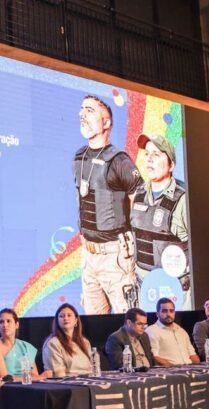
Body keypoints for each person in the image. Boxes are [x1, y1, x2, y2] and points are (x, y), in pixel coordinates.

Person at [73, 95, 142, 315]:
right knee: (94, 324)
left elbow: (139, 197)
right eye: (82, 109)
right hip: (88, 255)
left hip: (115, 256)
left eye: (90, 110)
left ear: (106, 122)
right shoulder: (79, 157)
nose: (83, 114)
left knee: (128, 321)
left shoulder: (119, 160)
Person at [130, 134, 190, 308]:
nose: (149, 159)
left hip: (173, 290)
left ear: (171, 165)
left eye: (156, 155)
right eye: (147, 154)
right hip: (144, 289)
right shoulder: (139, 194)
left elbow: (199, 249)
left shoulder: (183, 199)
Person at [0, 308, 49, 382]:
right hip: (5, 388)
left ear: (17, 325)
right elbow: (5, 379)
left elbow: (35, 376)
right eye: (1, 322)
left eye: (8, 321)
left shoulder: (26, 346)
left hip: (28, 387)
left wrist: (38, 377)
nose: (5, 325)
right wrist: (41, 377)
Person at [145, 297, 200, 366]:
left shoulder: (181, 331)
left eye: (171, 311)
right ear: (157, 314)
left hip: (189, 368)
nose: (168, 314)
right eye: (164, 311)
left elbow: (192, 354)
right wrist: (174, 368)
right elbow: (154, 357)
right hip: (170, 370)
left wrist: (198, 367)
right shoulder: (152, 331)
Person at [42, 303, 93, 376]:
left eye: (69, 315)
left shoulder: (85, 342)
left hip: (87, 380)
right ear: (57, 321)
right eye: (61, 316)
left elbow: (92, 369)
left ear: (76, 321)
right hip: (65, 381)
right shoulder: (53, 343)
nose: (65, 318)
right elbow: (59, 375)